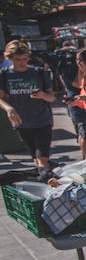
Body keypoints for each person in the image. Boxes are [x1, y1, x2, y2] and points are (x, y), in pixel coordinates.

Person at [0, 40, 55, 181]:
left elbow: (51, 98)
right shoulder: (5, 74)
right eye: (18, 60)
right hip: (22, 123)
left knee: (42, 157)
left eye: (24, 59)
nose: (22, 62)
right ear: (9, 58)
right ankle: (46, 180)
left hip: (42, 121)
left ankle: (47, 182)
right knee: (36, 159)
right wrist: (9, 108)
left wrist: (43, 95)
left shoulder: (38, 72)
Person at [55, 40, 86, 158]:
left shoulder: (64, 65)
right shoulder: (66, 66)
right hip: (77, 102)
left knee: (84, 132)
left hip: (82, 101)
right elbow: (76, 84)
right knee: (84, 133)